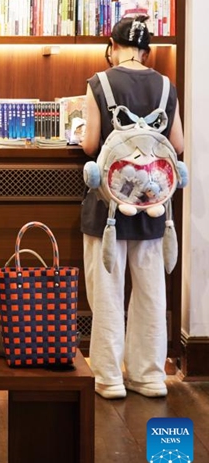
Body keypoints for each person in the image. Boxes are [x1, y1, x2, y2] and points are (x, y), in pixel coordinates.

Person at [80, 16, 184, 399]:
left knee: (107, 292)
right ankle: (149, 376)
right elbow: (179, 142)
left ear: (112, 44)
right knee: (151, 291)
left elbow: (92, 145)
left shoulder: (100, 82)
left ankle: (108, 378)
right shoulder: (165, 86)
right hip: (152, 202)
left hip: (108, 207)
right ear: (147, 49)